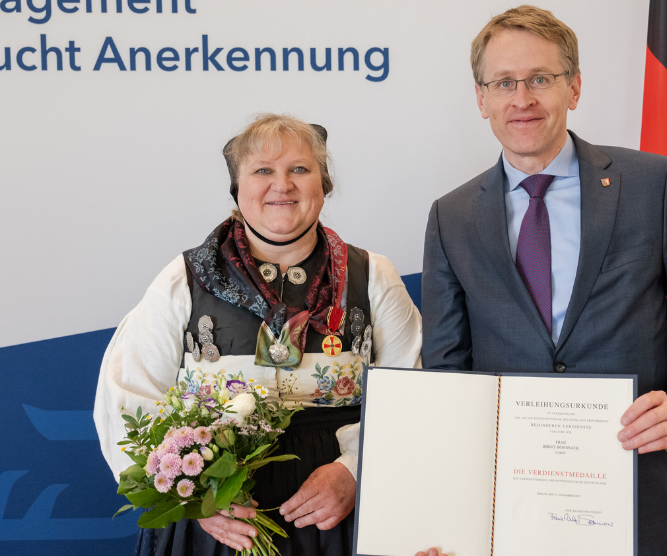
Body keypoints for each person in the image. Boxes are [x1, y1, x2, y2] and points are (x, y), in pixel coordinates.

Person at [417, 6, 667, 556]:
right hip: (510, 516)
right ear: (481, 98)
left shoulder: (652, 185)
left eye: (541, 79)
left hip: (640, 495)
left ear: (575, 87)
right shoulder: (452, 216)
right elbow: (449, 374)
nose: (522, 99)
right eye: (504, 83)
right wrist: (452, 511)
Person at [94, 114, 422, 556]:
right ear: (237, 189)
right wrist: (196, 497)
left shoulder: (373, 277)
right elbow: (127, 396)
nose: (281, 185)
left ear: (323, 186)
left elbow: (417, 396)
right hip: (216, 524)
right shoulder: (183, 279)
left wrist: (355, 472)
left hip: (340, 517)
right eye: (262, 171)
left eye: (300, 170)